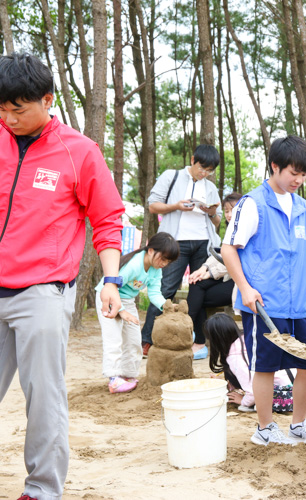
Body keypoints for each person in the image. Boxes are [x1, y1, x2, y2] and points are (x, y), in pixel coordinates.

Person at [0, 53, 124, 500]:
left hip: (42, 293)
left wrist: (110, 281)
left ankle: (41, 490)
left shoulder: (78, 151)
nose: (8, 118)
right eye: (1, 109)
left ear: (47, 100)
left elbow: (108, 220)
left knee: (44, 398)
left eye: (18, 109)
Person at [221, 135, 306, 446]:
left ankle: (298, 424)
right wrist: (245, 288)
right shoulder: (253, 203)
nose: (299, 180)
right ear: (275, 166)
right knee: (265, 366)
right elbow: (228, 249)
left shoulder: (303, 207)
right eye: (293, 173)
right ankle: (265, 428)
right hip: (264, 304)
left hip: (297, 304)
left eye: (303, 174)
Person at [141, 144, 223, 355]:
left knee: (199, 290)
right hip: (175, 243)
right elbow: (153, 205)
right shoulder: (172, 176)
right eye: (202, 168)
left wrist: (211, 212)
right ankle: (147, 340)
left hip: (203, 243)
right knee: (165, 289)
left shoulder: (210, 187)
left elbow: (216, 222)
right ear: (193, 159)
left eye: (209, 171)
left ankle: (197, 341)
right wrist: (176, 206)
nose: (204, 173)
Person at [96, 233, 179, 393]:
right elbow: (111, 288)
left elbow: (154, 292)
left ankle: (127, 375)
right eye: (163, 258)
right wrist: (121, 312)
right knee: (114, 339)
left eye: (168, 261)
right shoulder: (134, 265)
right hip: (108, 297)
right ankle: (113, 379)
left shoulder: (155, 269)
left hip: (126, 300)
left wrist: (167, 306)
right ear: (150, 250)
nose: (164, 263)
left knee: (134, 340)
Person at [186, 192, 242, 359]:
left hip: (242, 284)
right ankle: (195, 338)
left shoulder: (249, 230)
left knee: (198, 293)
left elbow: (236, 260)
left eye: (234, 210)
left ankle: (190, 334)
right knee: (196, 284)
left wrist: (209, 272)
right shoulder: (230, 231)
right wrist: (203, 269)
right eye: (226, 211)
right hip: (228, 279)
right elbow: (221, 254)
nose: (229, 215)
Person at [204, 313, 294, 412]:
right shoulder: (246, 339)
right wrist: (223, 383)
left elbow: (253, 390)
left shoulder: (235, 357)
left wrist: (243, 401)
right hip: (293, 381)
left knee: (245, 406)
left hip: (284, 393)